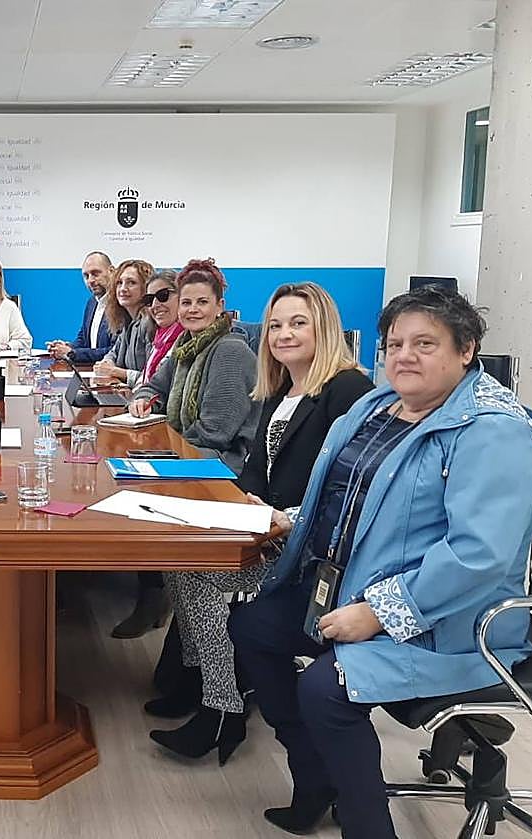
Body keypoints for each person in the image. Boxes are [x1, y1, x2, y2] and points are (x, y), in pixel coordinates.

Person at [228, 286, 532, 838]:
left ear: (466, 349)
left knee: (326, 691)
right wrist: (293, 524)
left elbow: (479, 555)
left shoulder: (494, 431)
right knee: (254, 627)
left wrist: (379, 613)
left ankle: (366, 826)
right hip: (346, 586)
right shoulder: (377, 405)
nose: (404, 355)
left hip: (455, 622)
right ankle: (317, 781)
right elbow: (340, 495)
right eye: (394, 343)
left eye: (425, 343)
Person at [146, 282, 373, 765]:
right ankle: (204, 683)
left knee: (204, 577)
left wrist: (287, 517)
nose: (283, 335)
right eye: (275, 325)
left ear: (324, 329)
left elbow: (354, 488)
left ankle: (222, 708)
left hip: (312, 552)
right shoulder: (282, 385)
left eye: (298, 323)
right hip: (267, 529)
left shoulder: (347, 388)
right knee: (179, 563)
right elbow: (255, 463)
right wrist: (247, 495)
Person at [129, 258, 259, 472]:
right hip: (189, 452)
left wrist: (161, 448)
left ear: (219, 306)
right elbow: (153, 388)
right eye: (186, 303)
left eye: (202, 302)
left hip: (221, 465)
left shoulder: (231, 351)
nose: (193, 309)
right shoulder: (186, 348)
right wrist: (143, 401)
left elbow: (214, 433)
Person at [110, 268, 184, 640]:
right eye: (151, 298)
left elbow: (211, 432)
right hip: (158, 435)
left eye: (164, 296)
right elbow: (151, 384)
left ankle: (153, 593)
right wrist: (140, 399)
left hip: (185, 456)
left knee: (133, 486)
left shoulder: (206, 345)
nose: (155, 304)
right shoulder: (164, 337)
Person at [93, 259, 154, 386]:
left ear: (146, 288)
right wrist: (107, 364)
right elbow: (113, 353)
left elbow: (152, 378)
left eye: (131, 283)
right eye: (119, 283)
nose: (123, 289)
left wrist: (118, 372)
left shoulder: (149, 323)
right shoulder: (127, 321)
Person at [47, 251, 115, 363]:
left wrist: (71, 353)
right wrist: (66, 347)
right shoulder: (92, 302)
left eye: (95, 273)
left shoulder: (121, 306)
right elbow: (83, 339)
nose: (91, 281)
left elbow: (114, 351)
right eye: (86, 276)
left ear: (111, 271)